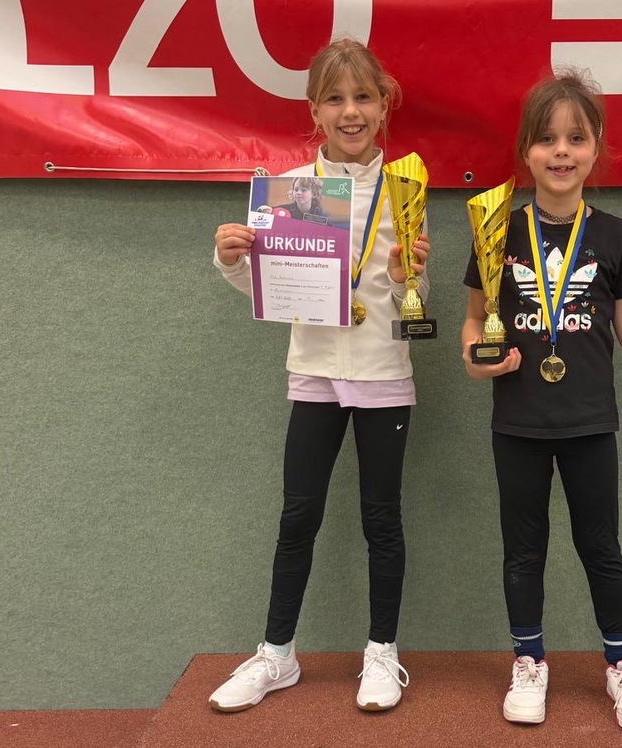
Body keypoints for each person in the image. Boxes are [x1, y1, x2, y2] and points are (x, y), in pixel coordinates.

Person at [460, 69, 622, 732]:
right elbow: (473, 325)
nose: (560, 151)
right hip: (517, 424)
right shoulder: (495, 232)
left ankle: (620, 668)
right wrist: (478, 364)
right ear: (525, 151)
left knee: (601, 547)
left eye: (575, 137)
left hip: (591, 423)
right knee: (522, 549)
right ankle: (529, 661)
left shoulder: (617, 238)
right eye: (546, 139)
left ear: (595, 149)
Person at [208, 37, 430, 714]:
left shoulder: (408, 186)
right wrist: (232, 258)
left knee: (380, 519)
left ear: (383, 105)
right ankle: (277, 655)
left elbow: (416, 307)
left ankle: (380, 654)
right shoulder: (292, 195)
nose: (350, 110)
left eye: (362, 96)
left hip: (382, 374)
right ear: (314, 110)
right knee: (297, 516)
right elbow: (271, 291)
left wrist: (405, 278)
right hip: (312, 372)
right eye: (334, 98)